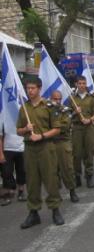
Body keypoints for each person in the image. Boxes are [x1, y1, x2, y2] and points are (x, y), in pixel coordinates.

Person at [16, 77, 64, 229]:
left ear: (39, 88)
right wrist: (25, 129)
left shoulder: (49, 106)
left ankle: (55, 209)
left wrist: (41, 136)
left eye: (33, 88)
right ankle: (33, 212)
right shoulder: (24, 108)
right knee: (32, 181)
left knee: (50, 179)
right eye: (28, 88)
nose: (30, 91)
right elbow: (18, 130)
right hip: (30, 149)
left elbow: (57, 129)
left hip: (45, 147)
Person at [50, 90, 79, 203]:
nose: (57, 101)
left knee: (67, 168)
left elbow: (65, 126)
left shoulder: (65, 111)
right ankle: (56, 193)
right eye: (55, 99)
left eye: (59, 99)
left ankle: (72, 191)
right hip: (50, 142)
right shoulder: (47, 110)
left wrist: (51, 128)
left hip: (63, 142)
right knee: (52, 170)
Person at [72, 75, 94, 188]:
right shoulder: (72, 98)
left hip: (88, 128)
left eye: (84, 83)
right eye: (80, 83)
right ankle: (77, 175)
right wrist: (74, 112)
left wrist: (90, 119)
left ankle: (89, 176)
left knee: (89, 152)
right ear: (76, 84)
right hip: (77, 128)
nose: (82, 85)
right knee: (77, 154)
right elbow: (66, 114)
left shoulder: (91, 98)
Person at [0, 118, 26, 206]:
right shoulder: (4, 118)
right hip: (7, 149)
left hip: (22, 149)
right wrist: (1, 153)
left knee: (22, 171)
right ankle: (7, 194)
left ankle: (21, 192)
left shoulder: (23, 118)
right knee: (6, 172)